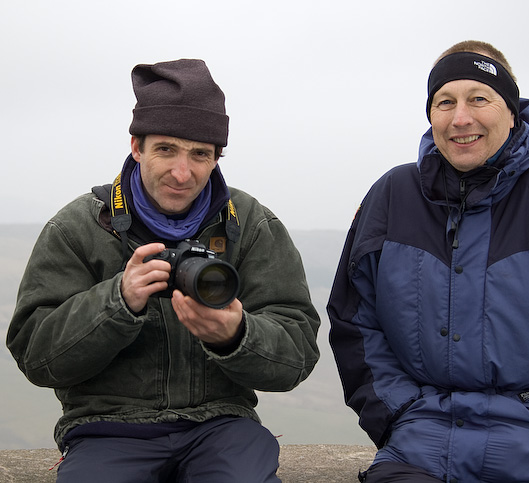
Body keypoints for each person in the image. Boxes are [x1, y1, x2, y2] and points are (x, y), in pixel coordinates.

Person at [7, 59, 320, 482]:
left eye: (200, 155)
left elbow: (297, 353)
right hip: (108, 428)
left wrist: (236, 336)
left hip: (221, 424)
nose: (182, 172)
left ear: (217, 158)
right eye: (166, 149)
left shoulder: (250, 224)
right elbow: (35, 355)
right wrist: (117, 301)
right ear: (137, 147)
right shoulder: (78, 227)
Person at [327, 40, 529, 482]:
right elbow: (354, 319)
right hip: (419, 441)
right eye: (445, 102)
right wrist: (397, 412)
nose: (460, 118)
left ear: (512, 111)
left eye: (479, 98)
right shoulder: (393, 195)